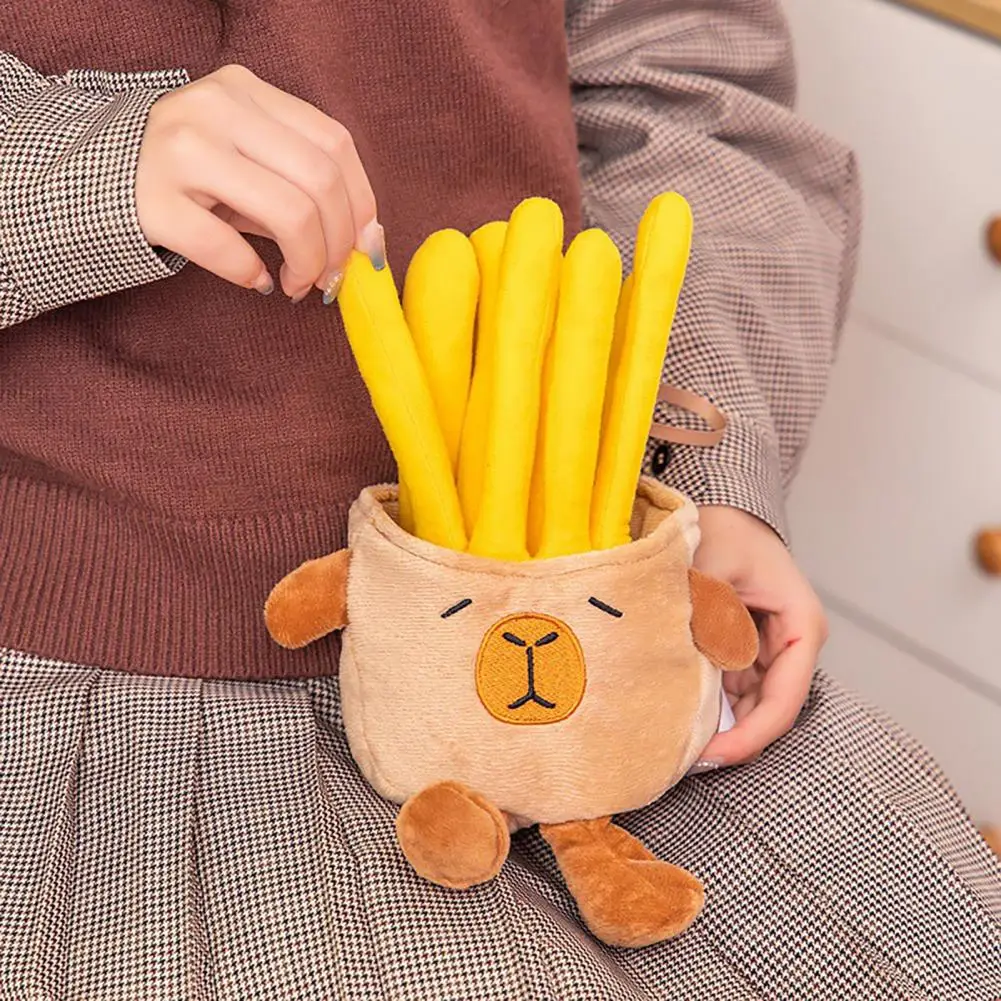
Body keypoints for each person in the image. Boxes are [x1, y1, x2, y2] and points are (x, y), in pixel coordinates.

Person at [0, 0, 998, 997]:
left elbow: (689, 81)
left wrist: (698, 486)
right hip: (112, 694)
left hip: (608, 615)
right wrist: (80, 162)